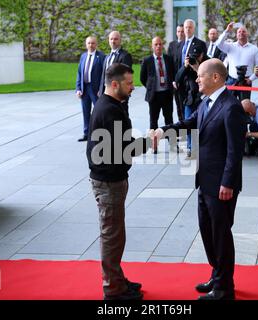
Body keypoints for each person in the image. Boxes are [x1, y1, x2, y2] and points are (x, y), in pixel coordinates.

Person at [151, 59, 247, 300]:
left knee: (221, 234)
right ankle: (217, 277)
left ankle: (225, 289)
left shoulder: (231, 107)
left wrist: (228, 183)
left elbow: (236, 152)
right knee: (207, 231)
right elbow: (189, 123)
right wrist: (164, 131)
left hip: (221, 185)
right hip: (204, 181)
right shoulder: (207, 103)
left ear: (215, 78)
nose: (196, 79)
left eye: (200, 76)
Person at [87, 63, 150, 300]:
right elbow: (123, 150)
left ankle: (117, 280)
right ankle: (113, 289)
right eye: (129, 83)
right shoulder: (109, 109)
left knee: (115, 233)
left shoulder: (113, 104)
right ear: (115, 84)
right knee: (112, 235)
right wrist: (149, 142)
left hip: (112, 178)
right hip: (108, 181)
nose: (133, 87)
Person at [140, 37, 175, 151]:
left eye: (160, 44)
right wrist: (150, 87)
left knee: (169, 120)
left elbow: (172, 74)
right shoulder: (147, 60)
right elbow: (142, 77)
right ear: (152, 46)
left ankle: (173, 144)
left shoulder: (169, 59)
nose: (158, 46)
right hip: (154, 96)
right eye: (156, 44)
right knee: (153, 121)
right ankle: (154, 145)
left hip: (166, 94)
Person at [214, 22, 258, 100]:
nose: (241, 33)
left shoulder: (254, 49)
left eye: (243, 31)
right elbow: (218, 44)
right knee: (229, 106)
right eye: (239, 32)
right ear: (236, 35)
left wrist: (251, 79)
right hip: (231, 80)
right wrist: (227, 31)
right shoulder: (230, 46)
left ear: (247, 34)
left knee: (244, 106)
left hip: (246, 81)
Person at [175, 50, 205, 159]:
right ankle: (190, 149)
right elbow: (177, 79)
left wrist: (197, 68)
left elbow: (205, 78)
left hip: (201, 99)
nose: (193, 60)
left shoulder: (204, 65)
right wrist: (185, 66)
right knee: (188, 124)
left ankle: (198, 148)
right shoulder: (186, 68)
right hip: (189, 100)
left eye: (195, 57)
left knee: (201, 125)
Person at [75, 36, 105, 142]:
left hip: (96, 90)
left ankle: (100, 134)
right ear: (86, 44)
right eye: (89, 43)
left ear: (96, 44)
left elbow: (104, 74)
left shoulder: (101, 57)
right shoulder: (83, 56)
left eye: (93, 43)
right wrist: (78, 88)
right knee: (85, 111)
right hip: (85, 89)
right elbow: (79, 73)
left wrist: (101, 89)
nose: (90, 45)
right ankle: (86, 133)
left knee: (98, 112)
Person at [98, 31, 133, 97]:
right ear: (108, 40)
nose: (113, 41)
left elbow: (126, 76)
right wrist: (100, 91)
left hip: (118, 93)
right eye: (111, 39)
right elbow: (103, 75)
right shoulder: (107, 57)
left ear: (120, 40)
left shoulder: (125, 56)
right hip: (105, 92)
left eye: (115, 39)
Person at [168, 24, 185, 122]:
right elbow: (169, 64)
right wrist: (173, 80)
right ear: (176, 33)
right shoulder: (172, 45)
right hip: (174, 80)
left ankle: (185, 125)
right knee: (178, 104)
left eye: (182, 31)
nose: (181, 33)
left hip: (184, 80)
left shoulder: (187, 44)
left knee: (184, 105)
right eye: (179, 31)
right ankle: (180, 125)